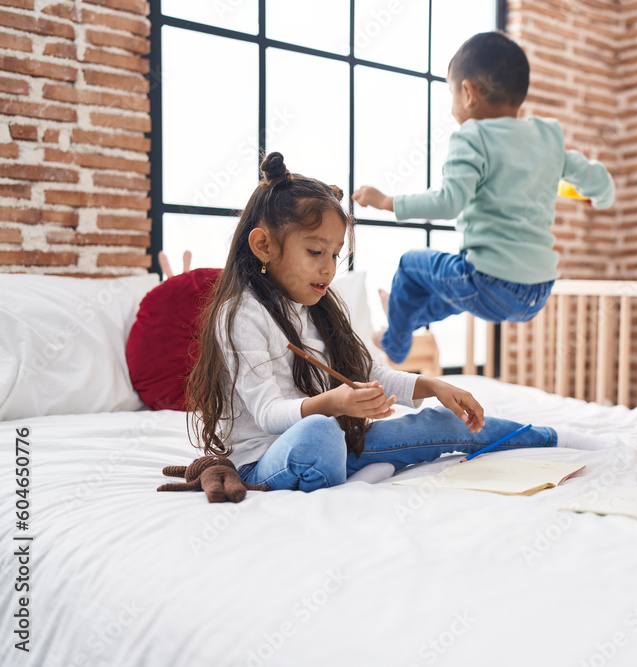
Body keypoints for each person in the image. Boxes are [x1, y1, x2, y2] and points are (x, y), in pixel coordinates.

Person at [185, 152, 606, 492]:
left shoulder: (318, 304)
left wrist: (433, 385)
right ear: (263, 245)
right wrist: (333, 404)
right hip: (270, 458)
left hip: (338, 443)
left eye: (335, 254)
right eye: (316, 252)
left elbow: (366, 372)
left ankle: (547, 437)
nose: (329, 268)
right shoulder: (241, 314)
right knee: (319, 433)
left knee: (442, 422)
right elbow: (267, 414)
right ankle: (350, 478)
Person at [352, 31, 615, 364]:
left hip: (488, 280)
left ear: (467, 92)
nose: (452, 108)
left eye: (451, 94)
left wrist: (386, 201)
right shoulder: (548, 136)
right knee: (451, 295)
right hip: (536, 291)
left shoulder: (473, 136)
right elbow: (596, 179)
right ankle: (402, 317)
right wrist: (602, 197)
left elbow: (449, 202)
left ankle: (395, 342)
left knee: (409, 265)